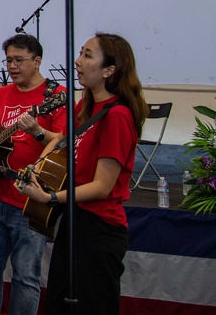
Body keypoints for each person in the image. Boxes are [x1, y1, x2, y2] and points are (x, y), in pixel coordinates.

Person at [16, 33, 147, 315]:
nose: (78, 62)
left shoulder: (117, 116)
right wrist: (37, 165)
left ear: (109, 70)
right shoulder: (86, 105)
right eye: (81, 53)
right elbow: (61, 141)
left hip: (99, 228)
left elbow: (102, 186)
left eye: (88, 56)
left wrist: (51, 197)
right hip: (75, 220)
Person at [0, 33, 67, 315]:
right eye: (9, 60)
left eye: (19, 60)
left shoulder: (55, 97)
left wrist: (37, 132)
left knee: (25, 278)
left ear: (37, 62)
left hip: (29, 199)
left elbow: (62, 141)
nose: (12, 66)